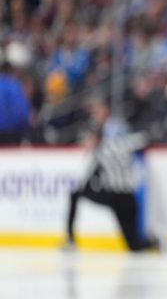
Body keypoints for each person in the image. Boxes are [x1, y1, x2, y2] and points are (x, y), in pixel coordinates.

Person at [64, 97, 157, 252]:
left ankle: (70, 238)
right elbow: (144, 138)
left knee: (75, 194)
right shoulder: (124, 144)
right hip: (130, 198)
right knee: (134, 246)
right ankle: (154, 242)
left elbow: (89, 178)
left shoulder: (101, 151)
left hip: (115, 197)